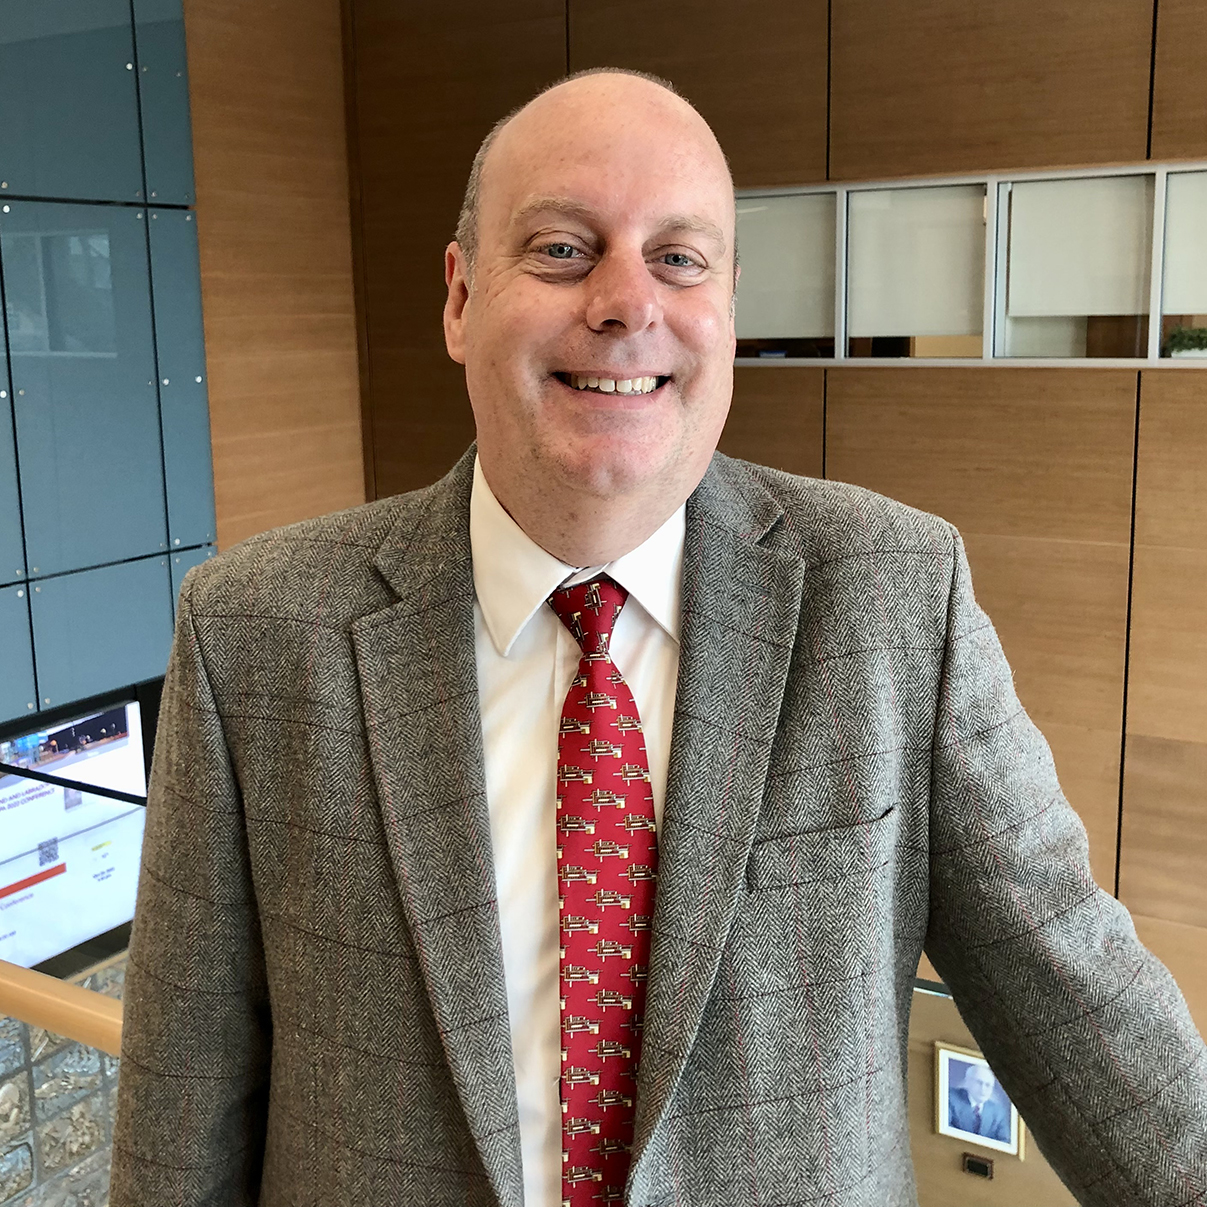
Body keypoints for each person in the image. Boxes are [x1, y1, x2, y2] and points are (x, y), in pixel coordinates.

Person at [110, 68, 1207, 1207]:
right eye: (562, 249)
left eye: (677, 258)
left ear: (726, 305)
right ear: (457, 297)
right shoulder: (254, 638)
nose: (627, 302)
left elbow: (1090, 1015)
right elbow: (177, 1129)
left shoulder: (891, 600)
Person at [948, 1062, 1010, 1143]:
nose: (983, 1089)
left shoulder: (998, 1111)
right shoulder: (950, 1097)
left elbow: (1005, 1141)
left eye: (987, 1085)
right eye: (979, 1083)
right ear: (968, 1082)